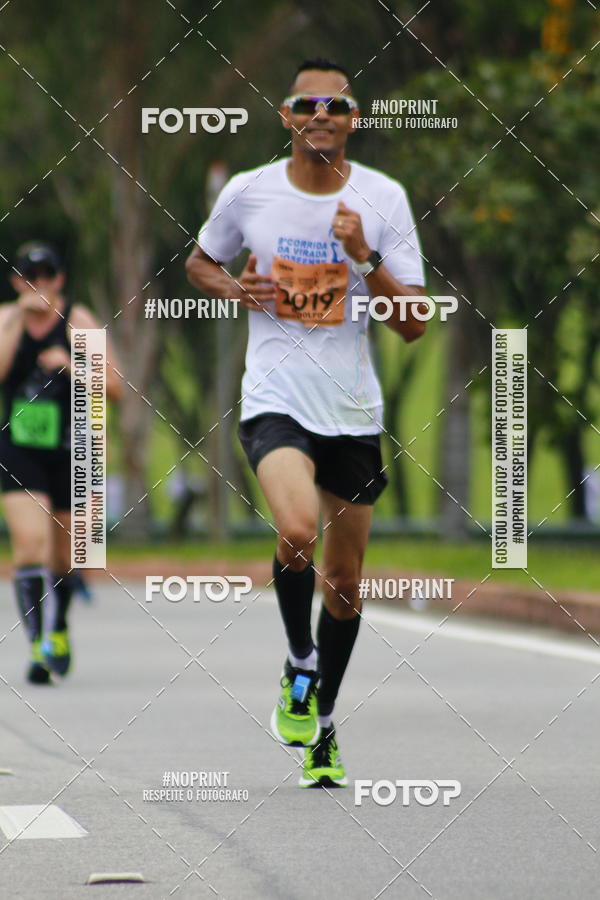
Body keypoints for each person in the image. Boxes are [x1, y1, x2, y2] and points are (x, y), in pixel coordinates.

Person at [186, 58, 427, 787]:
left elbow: (414, 322)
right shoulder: (249, 193)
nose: (321, 112)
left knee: (346, 582)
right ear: (286, 116)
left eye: (338, 103)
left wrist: (365, 258)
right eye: (306, 102)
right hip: (275, 398)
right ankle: (298, 658)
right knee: (296, 531)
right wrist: (235, 285)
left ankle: (322, 726)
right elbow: (199, 262)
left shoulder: (383, 199)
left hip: (352, 412)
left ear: (354, 119)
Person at [0, 242, 122, 683]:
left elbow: (114, 387)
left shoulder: (78, 320)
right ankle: (38, 643)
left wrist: (71, 364)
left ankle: (59, 625)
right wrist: (17, 314)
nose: (41, 285)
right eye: (31, 277)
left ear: (60, 279)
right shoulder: (6, 319)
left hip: (73, 448)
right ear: (17, 281)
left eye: (48, 276)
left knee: (69, 554)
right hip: (19, 448)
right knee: (29, 546)